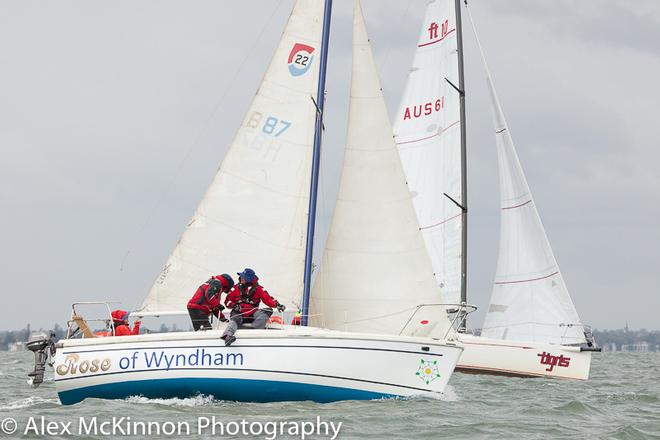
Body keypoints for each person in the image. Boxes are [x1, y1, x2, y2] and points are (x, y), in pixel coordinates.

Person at [221, 268, 285, 346]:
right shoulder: (235, 288)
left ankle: (254, 331)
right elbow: (227, 301)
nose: (241, 278)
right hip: (238, 312)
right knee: (235, 319)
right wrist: (234, 306)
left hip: (252, 312)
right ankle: (227, 336)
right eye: (241, 276)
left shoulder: (259, 289)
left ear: (249, 279)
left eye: (243, 277)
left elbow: (268, 299)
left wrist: (277, 305)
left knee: (268, 311)